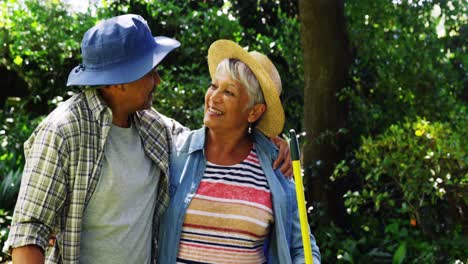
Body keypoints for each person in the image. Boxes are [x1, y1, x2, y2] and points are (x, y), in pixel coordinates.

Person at [3, 15, 291, 263]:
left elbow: (213, 138)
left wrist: (270, 142)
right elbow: (29, 231)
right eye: (150, 72)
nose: (158, 80)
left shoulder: (153, 128)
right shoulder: (63, 131)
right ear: (118, 81)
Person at [158, 40, 321, 264]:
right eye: (214, 86)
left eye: (229, 92)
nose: (213, 98)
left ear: (254, 112)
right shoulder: (177, 152)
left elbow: (301, 247)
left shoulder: (276, 167)